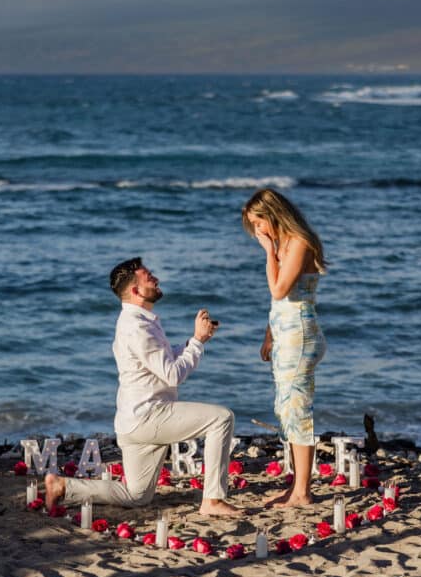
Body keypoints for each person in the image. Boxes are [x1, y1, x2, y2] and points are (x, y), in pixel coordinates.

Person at [44, 257, 241, 517]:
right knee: (221, 418)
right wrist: (197, 343)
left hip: (133, 422)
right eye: (150, 277)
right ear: (136, 291)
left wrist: (195, 340)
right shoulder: (136, 327)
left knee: (137, 496)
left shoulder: (139, 321)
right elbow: (172, 374)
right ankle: (213, 500)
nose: (156, 279)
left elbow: (163, 359)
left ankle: (64, 486)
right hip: (149, 416)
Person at [242, 188, 327, 508]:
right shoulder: (286, 244)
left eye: (258, 223)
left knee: (296, 411)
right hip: (286, 333)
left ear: (272, 214)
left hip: (300, 335)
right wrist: (269, 335)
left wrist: (268, 252)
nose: (257, 231)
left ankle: (303, 492)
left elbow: (279, 290)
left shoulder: (299, 242)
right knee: (286, 410)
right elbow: (278, 304)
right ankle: (296, 487)